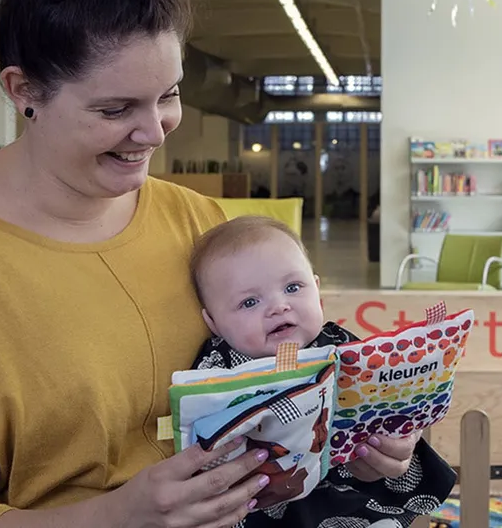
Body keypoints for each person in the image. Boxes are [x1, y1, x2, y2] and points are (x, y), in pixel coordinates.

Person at [0, 0, 429, 528]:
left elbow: (283, 386)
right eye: (115, 109)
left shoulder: (198, 223)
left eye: (169, 96)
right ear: (23, 90)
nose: (154, 132)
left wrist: (358, 444)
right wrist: (115, 517)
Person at [187, 215, 457, 527]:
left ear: (317, 290)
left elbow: (384, 393)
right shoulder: (216, 368)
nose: (278, 306)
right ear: (213, 323)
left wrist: (395, 423)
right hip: (255, 504)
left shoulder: (339, 346)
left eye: (292, 287)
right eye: (249, 302)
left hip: (346, 492)